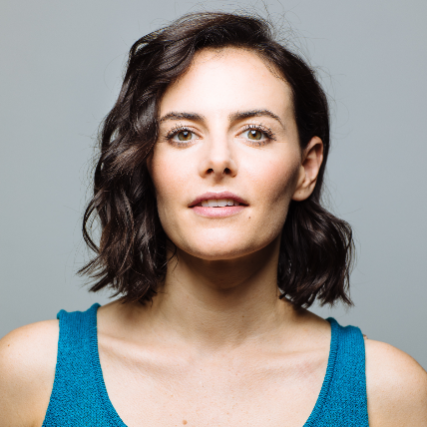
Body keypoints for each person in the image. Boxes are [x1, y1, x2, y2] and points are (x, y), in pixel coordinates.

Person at [0, 11, 426, 427]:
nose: (218, 160)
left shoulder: (389, 394)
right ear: (145, 163)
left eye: (255, 132)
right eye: (182, 134)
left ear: (307, 168)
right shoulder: (29, 373)